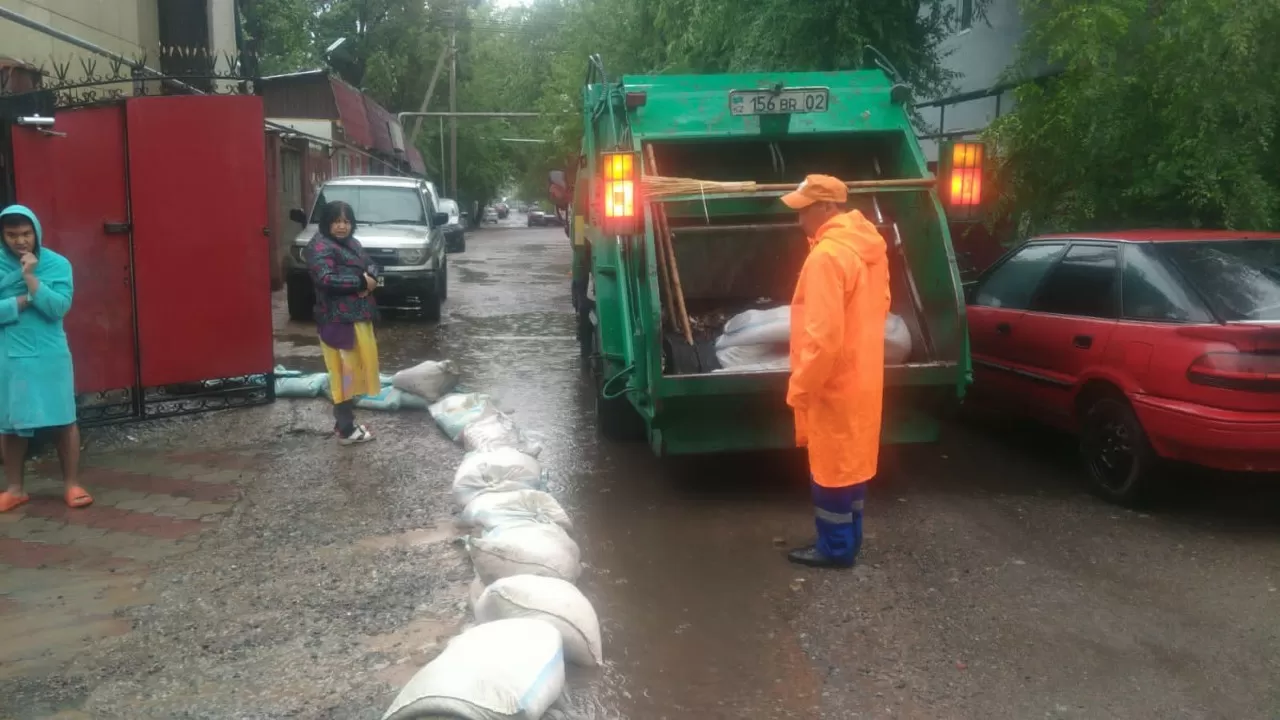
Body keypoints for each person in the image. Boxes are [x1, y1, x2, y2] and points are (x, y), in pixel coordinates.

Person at [781, 175, 891, 568]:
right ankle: (850, 539)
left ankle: (835, 549)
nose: (799, 220)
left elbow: (824, 338)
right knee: (852, 463)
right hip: (862, 375)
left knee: (829, 469)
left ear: (827, 208)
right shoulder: (868, 247)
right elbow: (881, 304)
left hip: (834, 382)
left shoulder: (827, 256)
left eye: (804, 210)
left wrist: (802, 386)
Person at [0, 205, 92, 512]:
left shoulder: (57, 264)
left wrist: (30, 277)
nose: (20, 241)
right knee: (10, 425)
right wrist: (24, 301)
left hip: (50, 353)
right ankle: (15, 488)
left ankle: (71, 484)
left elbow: (58, 307)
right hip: (10, 356)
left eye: (25, 233)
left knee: (64, 419)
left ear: (36, 232)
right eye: (12, 234)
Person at [305, 200, 381, 445]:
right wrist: (361, 282)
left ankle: (345, 424)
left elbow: (370, 263)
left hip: (357, 319)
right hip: (338, 321)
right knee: (343, 375)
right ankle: (346, 430)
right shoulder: (319, 246)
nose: (342, 227)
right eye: (337, 221)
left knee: (355, 373)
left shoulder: (352, 243)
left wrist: (371, 277)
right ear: (327, 222)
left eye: (346, 222)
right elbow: (326, 278)